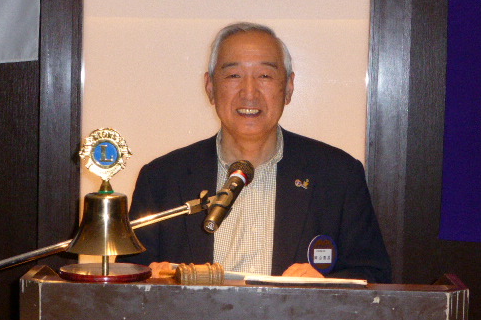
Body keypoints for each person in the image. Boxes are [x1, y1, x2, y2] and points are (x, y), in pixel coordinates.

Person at [126, 22, 391, 282]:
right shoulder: (161, 178)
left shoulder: (338, 175)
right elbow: (127, 278)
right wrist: (151, 280)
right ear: (210, 87)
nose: (249, 92)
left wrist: (323, 285)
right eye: (233, 75)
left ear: (288, 88)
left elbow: (374, 276)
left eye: (265, 76)